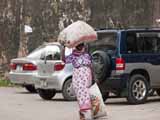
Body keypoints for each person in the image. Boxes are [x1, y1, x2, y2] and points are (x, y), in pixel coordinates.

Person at [62, 43, 93, 120]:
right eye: (79, 45)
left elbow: (90, 66)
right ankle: (83, 113)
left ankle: (87, 113)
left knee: (87, 94)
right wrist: (63, 48)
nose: (81, 47)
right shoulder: (73, 56)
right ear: (76, 46)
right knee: (80, 95)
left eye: (82, 45)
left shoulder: (86, 55)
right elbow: (64, 60)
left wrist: (93, 78)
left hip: (87, 77)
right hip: (78, 78)